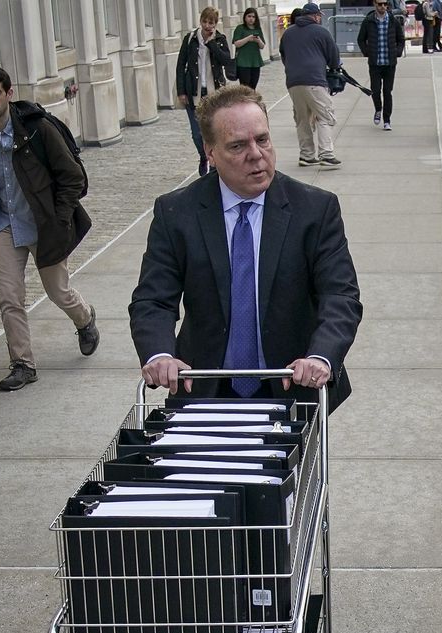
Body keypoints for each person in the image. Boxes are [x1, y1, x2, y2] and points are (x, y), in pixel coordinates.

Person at [131, 84, 362, 409]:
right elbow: (153, 300)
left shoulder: (315, 210)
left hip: (293, 386)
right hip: (203, 386)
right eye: (238, 145)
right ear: (209, 152)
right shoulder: (176, 213)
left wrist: (321, 356)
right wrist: (160, 354)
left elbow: (340, 296)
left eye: (262, 139)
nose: (256, 154)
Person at [0, 64, 98, 393]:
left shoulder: (37, 128)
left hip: (43, 223)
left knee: (58, 292)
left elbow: (73, 177)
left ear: (9, 93)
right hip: (6, 225)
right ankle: (22, 364)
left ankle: (85, 319)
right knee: (9, 298)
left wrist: (60, 218)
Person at [281, 2, 343, 170]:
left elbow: (284, 56)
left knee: (302, 119)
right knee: (325, 115)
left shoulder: (288, 33)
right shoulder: (321, 32)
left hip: (293, 82)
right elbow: (334, 58)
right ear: (315, 16)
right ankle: (326, 154)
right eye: (318, 16)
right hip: (315, 80)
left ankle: (306, 155)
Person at [177, 7, 233, 177]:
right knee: (196, 133)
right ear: (200, 21)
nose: (208, 25)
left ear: (216, 24)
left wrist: (212, 44)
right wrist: (181, 91)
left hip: (213, 92)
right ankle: (203, 157)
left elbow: (226, 60)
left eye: (211, 22)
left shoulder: (220, 39)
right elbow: (180, 66)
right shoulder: (190, 39)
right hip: (193, 91)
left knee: (213, 130)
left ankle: (214, 161)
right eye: (205, 21)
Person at [358, 0, 407, 131]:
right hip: (375, 63)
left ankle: (387, 120)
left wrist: (397, 52)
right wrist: (367, 52)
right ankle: (378, 109)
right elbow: (360, 39)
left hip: (389, 63)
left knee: (387, 92)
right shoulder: (368, 21)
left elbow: (401, 39)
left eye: (385, 4)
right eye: (380, 4)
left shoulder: (392, 20)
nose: (383, 6)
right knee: (375, 90)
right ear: (375, 4)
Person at [232, 8, 268, 90]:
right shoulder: (240, 28)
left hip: (255, 62)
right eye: (249, 16)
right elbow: (237, 44)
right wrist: (248, 38)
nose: (251, 18)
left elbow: (262, 46)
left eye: (253, 17)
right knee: (245, 88)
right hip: (243, 62)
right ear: (245, 17)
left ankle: (252, 102)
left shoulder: (258, 29)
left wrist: (258, 40)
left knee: (253, 87)